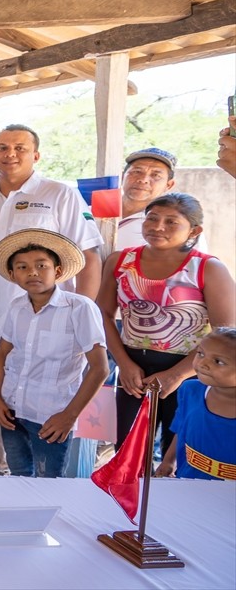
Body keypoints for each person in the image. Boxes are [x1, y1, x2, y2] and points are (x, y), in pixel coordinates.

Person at [0, 124, 103, 477]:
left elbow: (90, 255)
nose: (10, 154)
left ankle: (48, 477)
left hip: (52, 324)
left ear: (36, 155)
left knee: (48, 398)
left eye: (20, 148)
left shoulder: (60, 194)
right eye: (2, 147)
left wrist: (78, 312)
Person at [98, 193, 234, 450]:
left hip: (190, 373)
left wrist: (176, 375)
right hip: (133, 374)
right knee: (127, 450)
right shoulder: (121, 261)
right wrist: (124, 365)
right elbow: (103, 314)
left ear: (194, 230)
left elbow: (225, 336)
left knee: (181, 450)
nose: (158, 227)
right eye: (152, 218)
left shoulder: (207, 268)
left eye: (171, 222)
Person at [0, 230, 107, 479]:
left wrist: (69, 416)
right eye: (22, 267)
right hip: (12, 411)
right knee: (20, 475)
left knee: (48, 481)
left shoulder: (80, 308)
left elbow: (100, 368)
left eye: (41, 265)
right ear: (12, 275)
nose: (32, 272)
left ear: (59, 270)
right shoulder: (16, 307)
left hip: (52, 417)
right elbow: (1, 353)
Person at [155, 328, 236, 480]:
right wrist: (168, 461)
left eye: (218, 361)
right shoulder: (190, 390)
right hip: (188, 484)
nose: (203, 363)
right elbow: (181, 429)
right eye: (200, 353)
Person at [116, 148, 179, 251]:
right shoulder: (89, 212)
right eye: (137, 171)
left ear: (168, 185)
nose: (143, 180)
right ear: (123, 176)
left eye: (156, 175)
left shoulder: (175, 225)